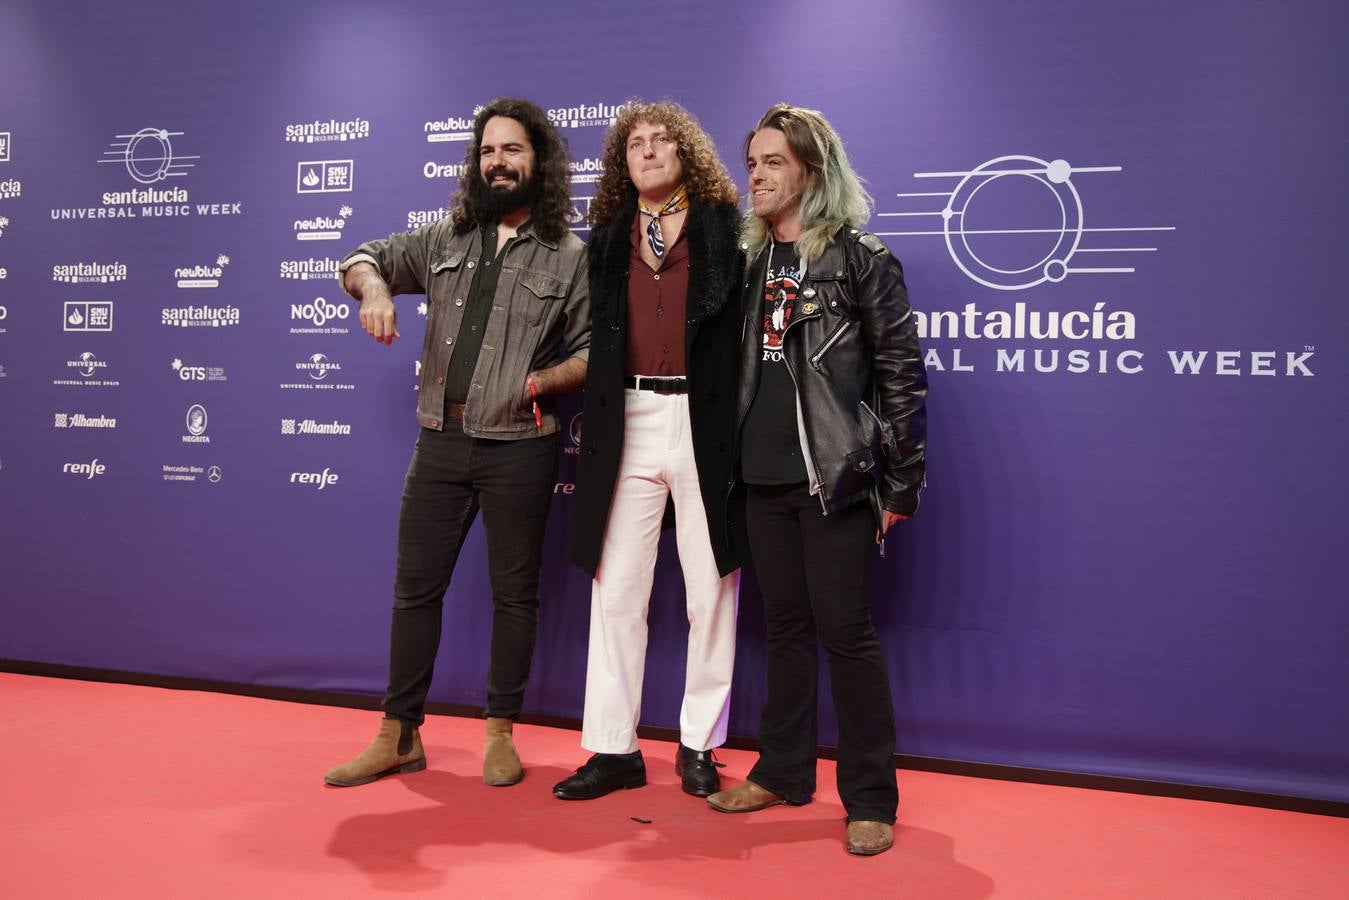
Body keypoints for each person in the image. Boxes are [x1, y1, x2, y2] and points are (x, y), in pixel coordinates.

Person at [323, 98, 589, 789]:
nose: (498, 162)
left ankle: (500, 731)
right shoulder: (445, 238)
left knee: (514, 597)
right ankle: (398, 732)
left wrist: (542, 379)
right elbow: (358, 258)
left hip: (520, 446)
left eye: (513, 150)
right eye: (488, 152)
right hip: (439, 441)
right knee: (415, 592)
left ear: (539, 162)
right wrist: (375, 290)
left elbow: (596, 351)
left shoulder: (569, 257)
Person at [706, 104, 927, 857]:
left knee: (846, 633)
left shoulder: (861, 257)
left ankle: (869, 797)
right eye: (753, 162)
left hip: (830, 476)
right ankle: (781, 771)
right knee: (784, 632)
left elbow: (901, 375)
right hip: (760, 475)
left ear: (811, 171)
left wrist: (899, 485)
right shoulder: (745, 262)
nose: (757, 176)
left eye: (773, 162)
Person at [556, 101, 745, 800]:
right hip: (626, 416)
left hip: (704, 418)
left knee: (711, 588)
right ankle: (613, 749)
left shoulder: (728, 229)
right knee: (616, 593)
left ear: (686, 152)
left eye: (662, 139)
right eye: (634, 142)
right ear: (620, 162)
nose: (648, 149)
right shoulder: (605, 237)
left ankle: (699, 744)